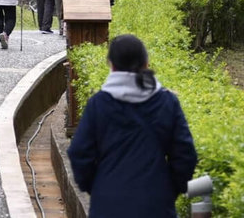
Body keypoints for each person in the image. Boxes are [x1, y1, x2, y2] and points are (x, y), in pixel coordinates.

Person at [67, 35, 197, 218]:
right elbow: (185, 155)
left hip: (107, 205)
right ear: (146, 63)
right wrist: (170, 190)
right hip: (156, 205)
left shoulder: (99, 103)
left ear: (111, 65)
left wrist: (96, 187)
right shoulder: (167, 102)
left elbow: (79, 153)